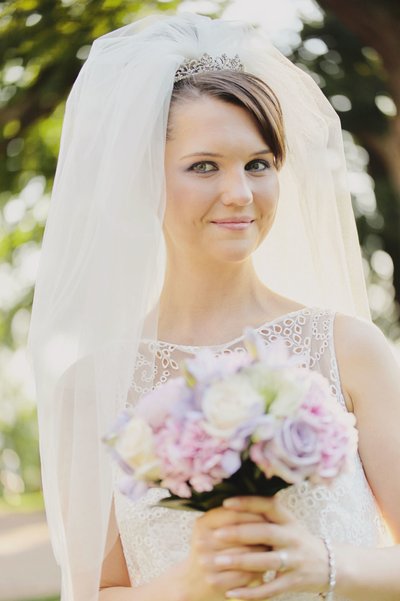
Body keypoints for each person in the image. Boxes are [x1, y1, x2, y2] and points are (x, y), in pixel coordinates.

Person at [28, 12, 400, 601]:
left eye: (258, 164)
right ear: (143, 179)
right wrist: (191, 583)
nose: (240, 193)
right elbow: (99, 592)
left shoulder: (348, 349)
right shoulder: (93, 387)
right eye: (205, 166)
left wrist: (323, 563)